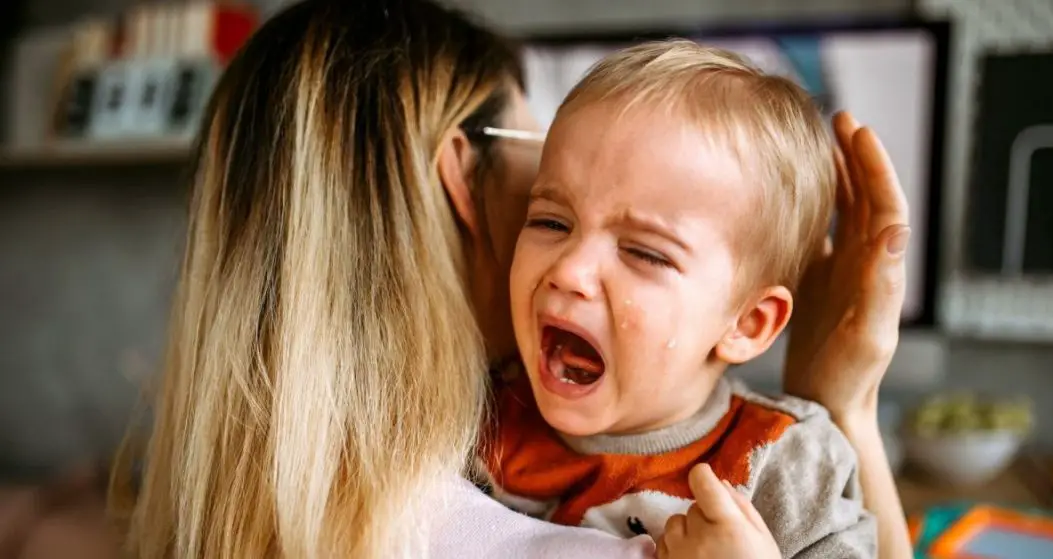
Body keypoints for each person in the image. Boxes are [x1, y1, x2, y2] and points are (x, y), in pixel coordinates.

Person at [108, 0, 914, 557]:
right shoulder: (470, 476)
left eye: (645, 247)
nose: (571, 266)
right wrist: (850, 405)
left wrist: (836, 408)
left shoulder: (272, 484)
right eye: (551, 210)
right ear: (461, 177)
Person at [483, 41, 873, 558]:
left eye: (644, 253)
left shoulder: (787, 466)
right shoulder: (476, 417)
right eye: (552, 222)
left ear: (748, 323)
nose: (569, 270)